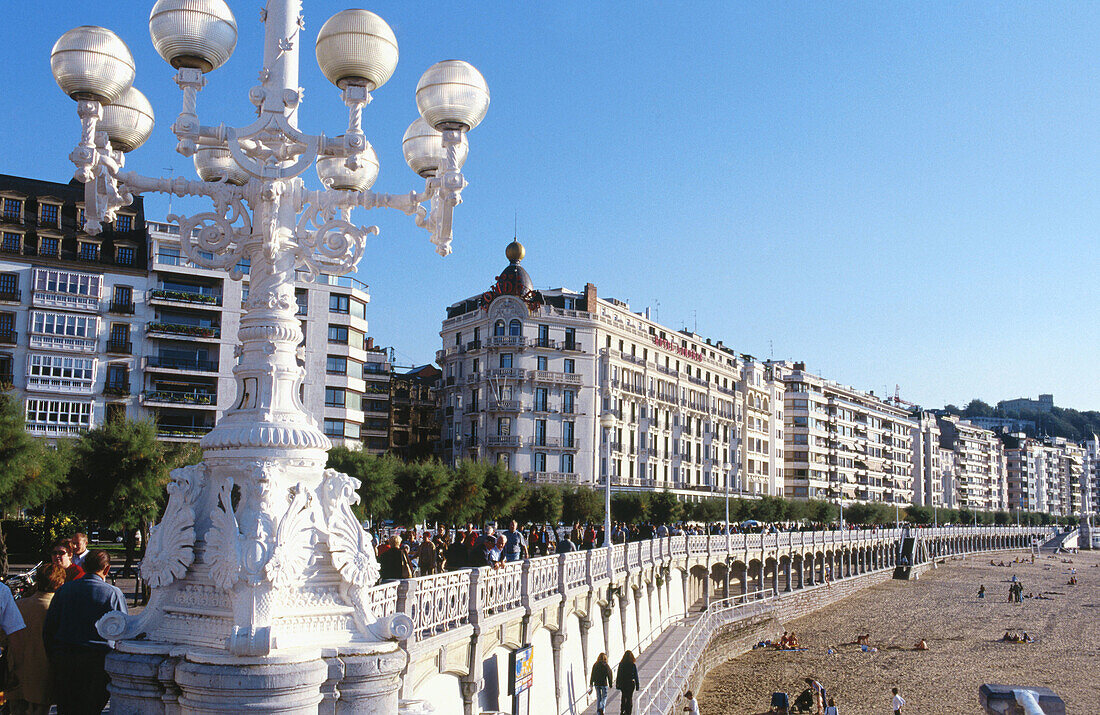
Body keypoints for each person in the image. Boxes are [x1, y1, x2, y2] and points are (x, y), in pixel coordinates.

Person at [43, 550, 127, 714]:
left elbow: (49, 628)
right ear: (107, 569)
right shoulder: (112, 594)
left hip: (65, 657)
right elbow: (123, 631)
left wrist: (54, 656)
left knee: (67, 708)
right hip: (97, 662)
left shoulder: (64, 590)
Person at [7, 563, 65, 715]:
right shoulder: (57, 609)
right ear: (60, 582)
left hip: (16, 668)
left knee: (16, 709)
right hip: (42, 670)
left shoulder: (19, 604)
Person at [615, 650, 640, 715]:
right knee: (629, 697)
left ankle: (622, 710)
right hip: (631, 683)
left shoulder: (621, 664)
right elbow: (636, 676)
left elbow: (619, 675)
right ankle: (628, 712)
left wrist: (617, 684)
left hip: (623, 683)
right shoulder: (633, 665)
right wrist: (637, 686)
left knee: (623, 696)